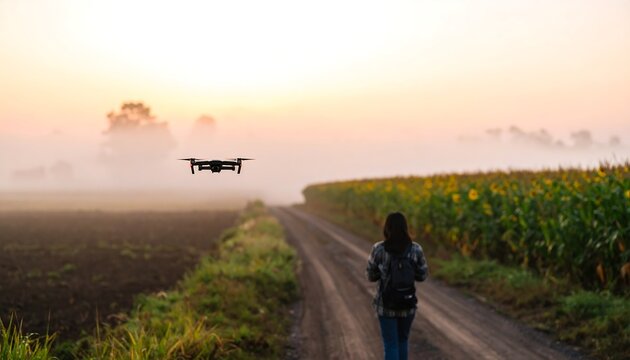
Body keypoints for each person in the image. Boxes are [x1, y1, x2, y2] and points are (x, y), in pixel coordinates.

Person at [366, 212, 429, 360]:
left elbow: (370, 275)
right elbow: (423, 275)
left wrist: (382, 274)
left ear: (387, 228)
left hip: (386, 305)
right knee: (402, 341)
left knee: (391, 344)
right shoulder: (416, 249)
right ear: (405, 227)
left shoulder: (379, 249)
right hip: (407, 303)